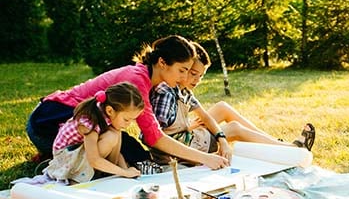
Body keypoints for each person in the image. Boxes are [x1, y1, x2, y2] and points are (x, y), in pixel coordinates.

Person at [26, 35, 229, 170]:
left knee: (136, 156)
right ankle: (56, 161)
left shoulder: (151, 78)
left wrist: (219, 138)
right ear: (162, 63)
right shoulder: (137, 81)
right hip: (48, 122)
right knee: (121, 154)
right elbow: (154, 137)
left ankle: (56, 156)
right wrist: (205, 158)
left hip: (79, 121)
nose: (185, 77)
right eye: (182, 70)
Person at [148, 42, 315, 164]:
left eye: (200, 76)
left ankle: (275, 143)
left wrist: (218, 137)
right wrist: (190, 127)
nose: (195, 80)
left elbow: (205, 117)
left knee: (222, 107)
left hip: (186, 136)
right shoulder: (166, 91)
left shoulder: (183, 92)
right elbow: (157, 135)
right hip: (183, 149)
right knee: (234, 128)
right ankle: (288, 149)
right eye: (191, 73)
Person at [45, 82, 144, 183]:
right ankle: (79, 178)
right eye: (126, 119)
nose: (129, 124)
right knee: (111, 136)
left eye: (133, 120)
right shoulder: (90, 123)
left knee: (115, 133)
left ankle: (108, 174)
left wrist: (126, 171)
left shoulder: (106, 117)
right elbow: (94, 160)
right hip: (65, 161)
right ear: (110, 110)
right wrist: (124, 172)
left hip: (79, 154)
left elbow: (117, 152)